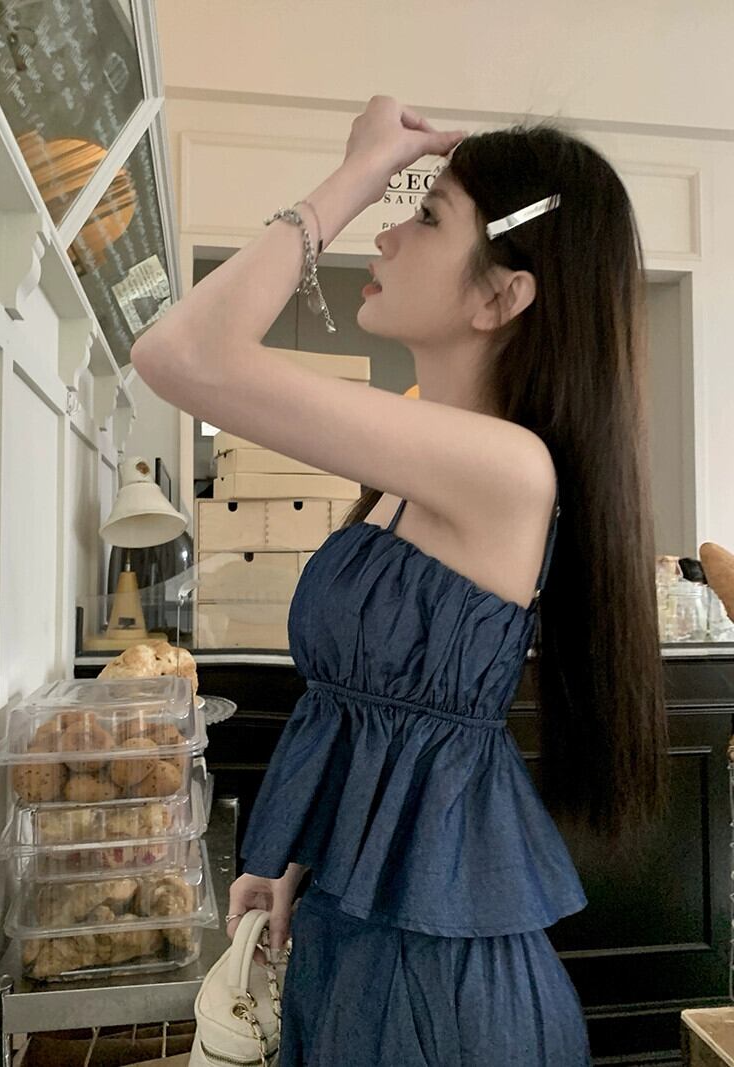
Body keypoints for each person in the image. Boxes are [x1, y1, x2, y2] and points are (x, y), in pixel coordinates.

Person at [132, 95, 670, 1066]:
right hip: (357, 934)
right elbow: (378, 714)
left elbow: (179, 354)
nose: (384, 233)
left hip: (439, 987)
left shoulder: (506, 466)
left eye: (424, 215)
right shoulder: (413, 469)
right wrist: (301, 856)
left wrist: (356, 171)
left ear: (500, 296)